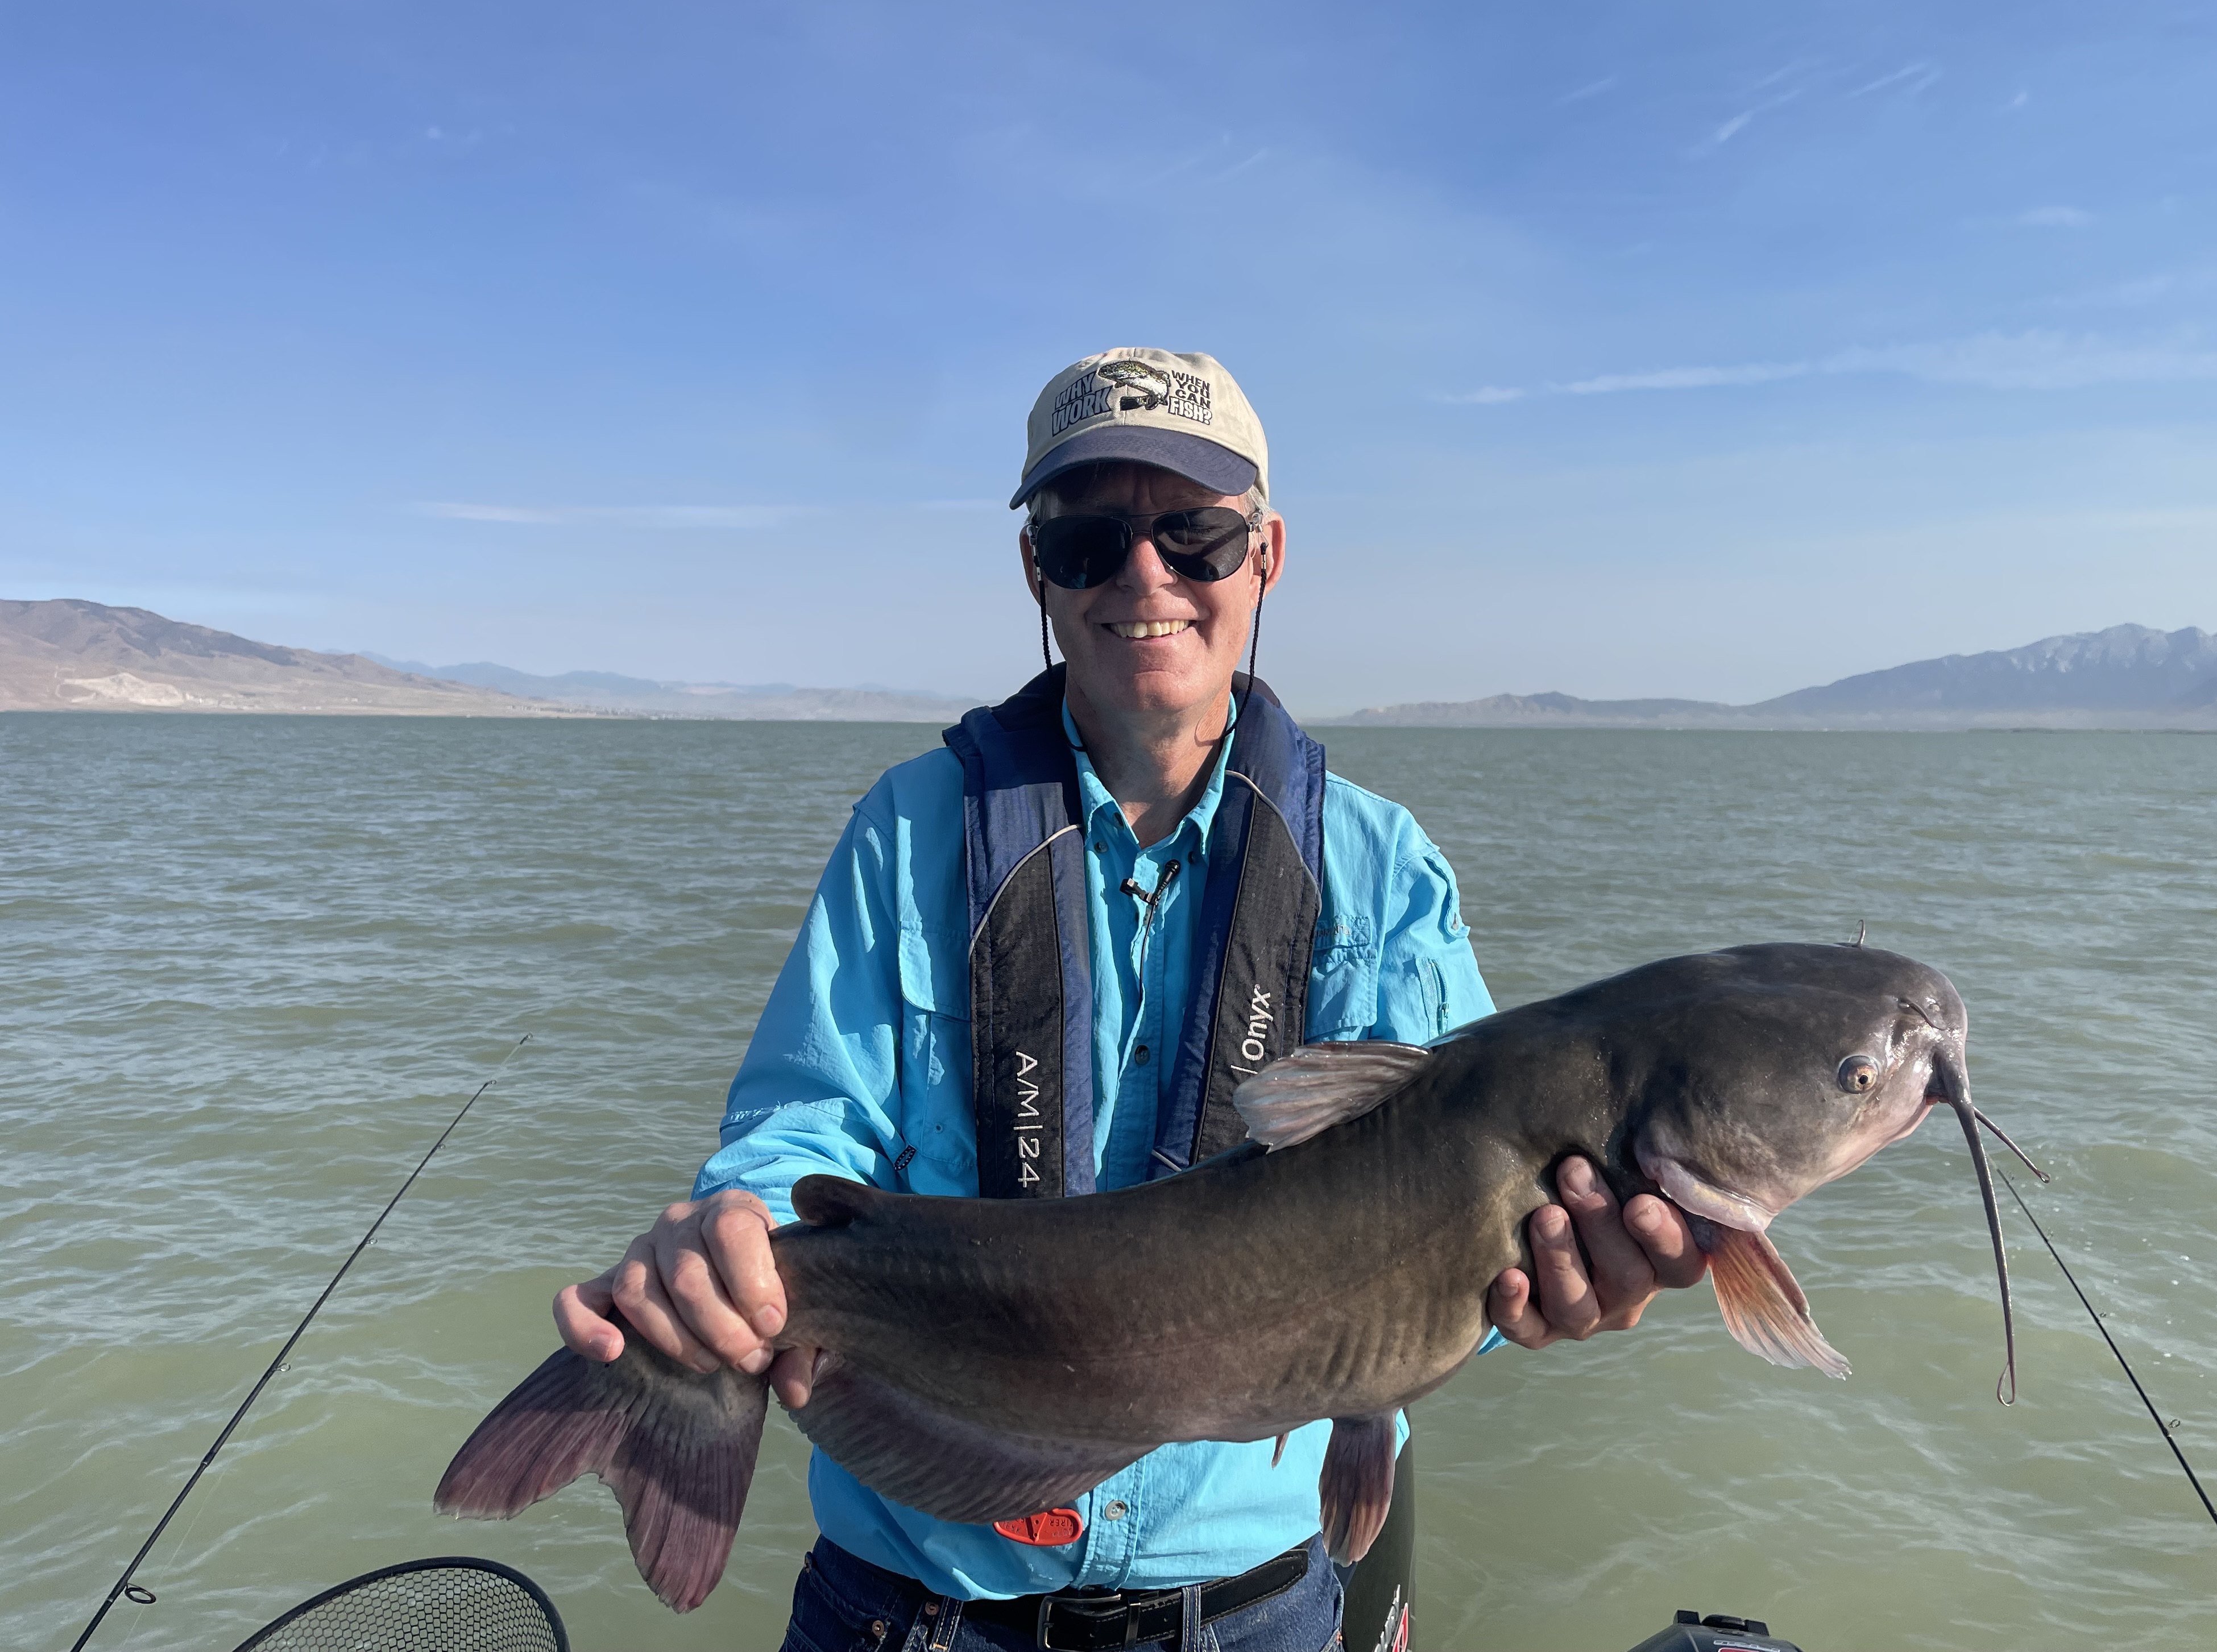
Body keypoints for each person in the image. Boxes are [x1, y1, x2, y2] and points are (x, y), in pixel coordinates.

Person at [553, 349, 1710, 1652]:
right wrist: (730, 1247)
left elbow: (1463, 1243)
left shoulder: (1381, 870)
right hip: (921, 1601)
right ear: (1037, 571)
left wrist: (1551, 1291)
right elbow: (802, 1132)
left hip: (1248, 1608)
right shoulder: (909, 830)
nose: (1143, 578)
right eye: (1089, 539)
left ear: (1265, 556)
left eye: (1194, 536)